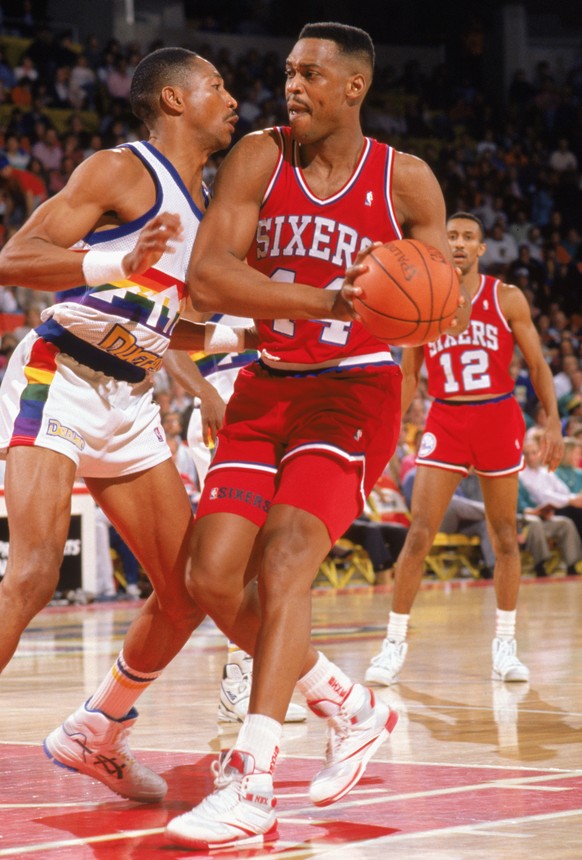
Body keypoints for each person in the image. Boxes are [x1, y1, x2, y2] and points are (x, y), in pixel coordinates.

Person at [165, 22, 466, 851]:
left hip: (353, 392)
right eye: (287, 73)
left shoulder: (406, 182)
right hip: (268, 385)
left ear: (354, 86)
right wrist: (331, 301)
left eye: (308, 75)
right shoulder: (259, 157)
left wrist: (423, 299)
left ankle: (254, 782)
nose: (290, 86)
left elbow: (438, 307)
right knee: (212, 578)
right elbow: (208, 275)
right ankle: (348, 703)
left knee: (286, 560)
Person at [0, 47, 260, 803]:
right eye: (217, 85)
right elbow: (15, 258)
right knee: (35, 571)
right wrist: (110, 263)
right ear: (175, 100)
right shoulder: (123, 170)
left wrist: (244, 339)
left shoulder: (209, 204)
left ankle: (96, 733)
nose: (232, 98)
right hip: (61, 373)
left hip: (128, 397)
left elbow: (158, 325)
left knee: (186, 593)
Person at [365, 211, 564, 691]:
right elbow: (411, 372)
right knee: (418, 535)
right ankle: (393, 644)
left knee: (505, 537)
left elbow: (537, 363)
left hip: (497, 417)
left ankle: (505, 643)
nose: (458, 243)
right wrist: (392, 424)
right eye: (451, 235)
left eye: (468, 237)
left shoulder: (507, 297)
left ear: (481, 249)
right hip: (446, 418)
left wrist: (552, 419)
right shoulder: (422, 296)